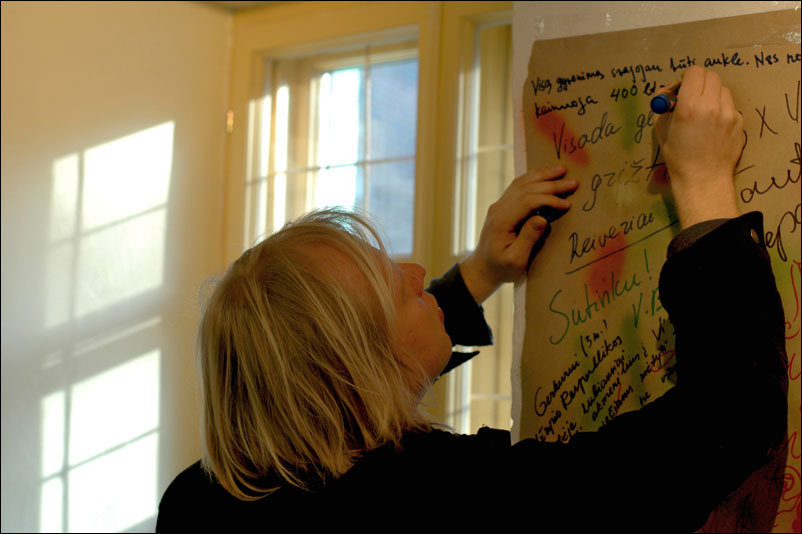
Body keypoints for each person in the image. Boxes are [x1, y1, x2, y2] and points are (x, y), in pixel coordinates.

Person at [156, 66, 787, 530]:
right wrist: (704, 185)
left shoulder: (196, 502)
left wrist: (481, 272)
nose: (417, 271)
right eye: (392, 289)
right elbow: (726, 420)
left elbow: (356, 382)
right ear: (356, 373)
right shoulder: (445, 499)